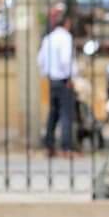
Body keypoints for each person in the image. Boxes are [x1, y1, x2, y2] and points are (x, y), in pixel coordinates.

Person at [37, 11, 76, 157]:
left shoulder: (48, 38)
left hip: (51, 80)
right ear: (67, 23)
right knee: (66, 114)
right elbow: (66, 60)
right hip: (64, 80)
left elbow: (40, 61)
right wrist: (70, 77)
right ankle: (66, 147)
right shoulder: (66, 37)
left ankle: (49, 146)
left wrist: (46, 74)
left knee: (53, 114)